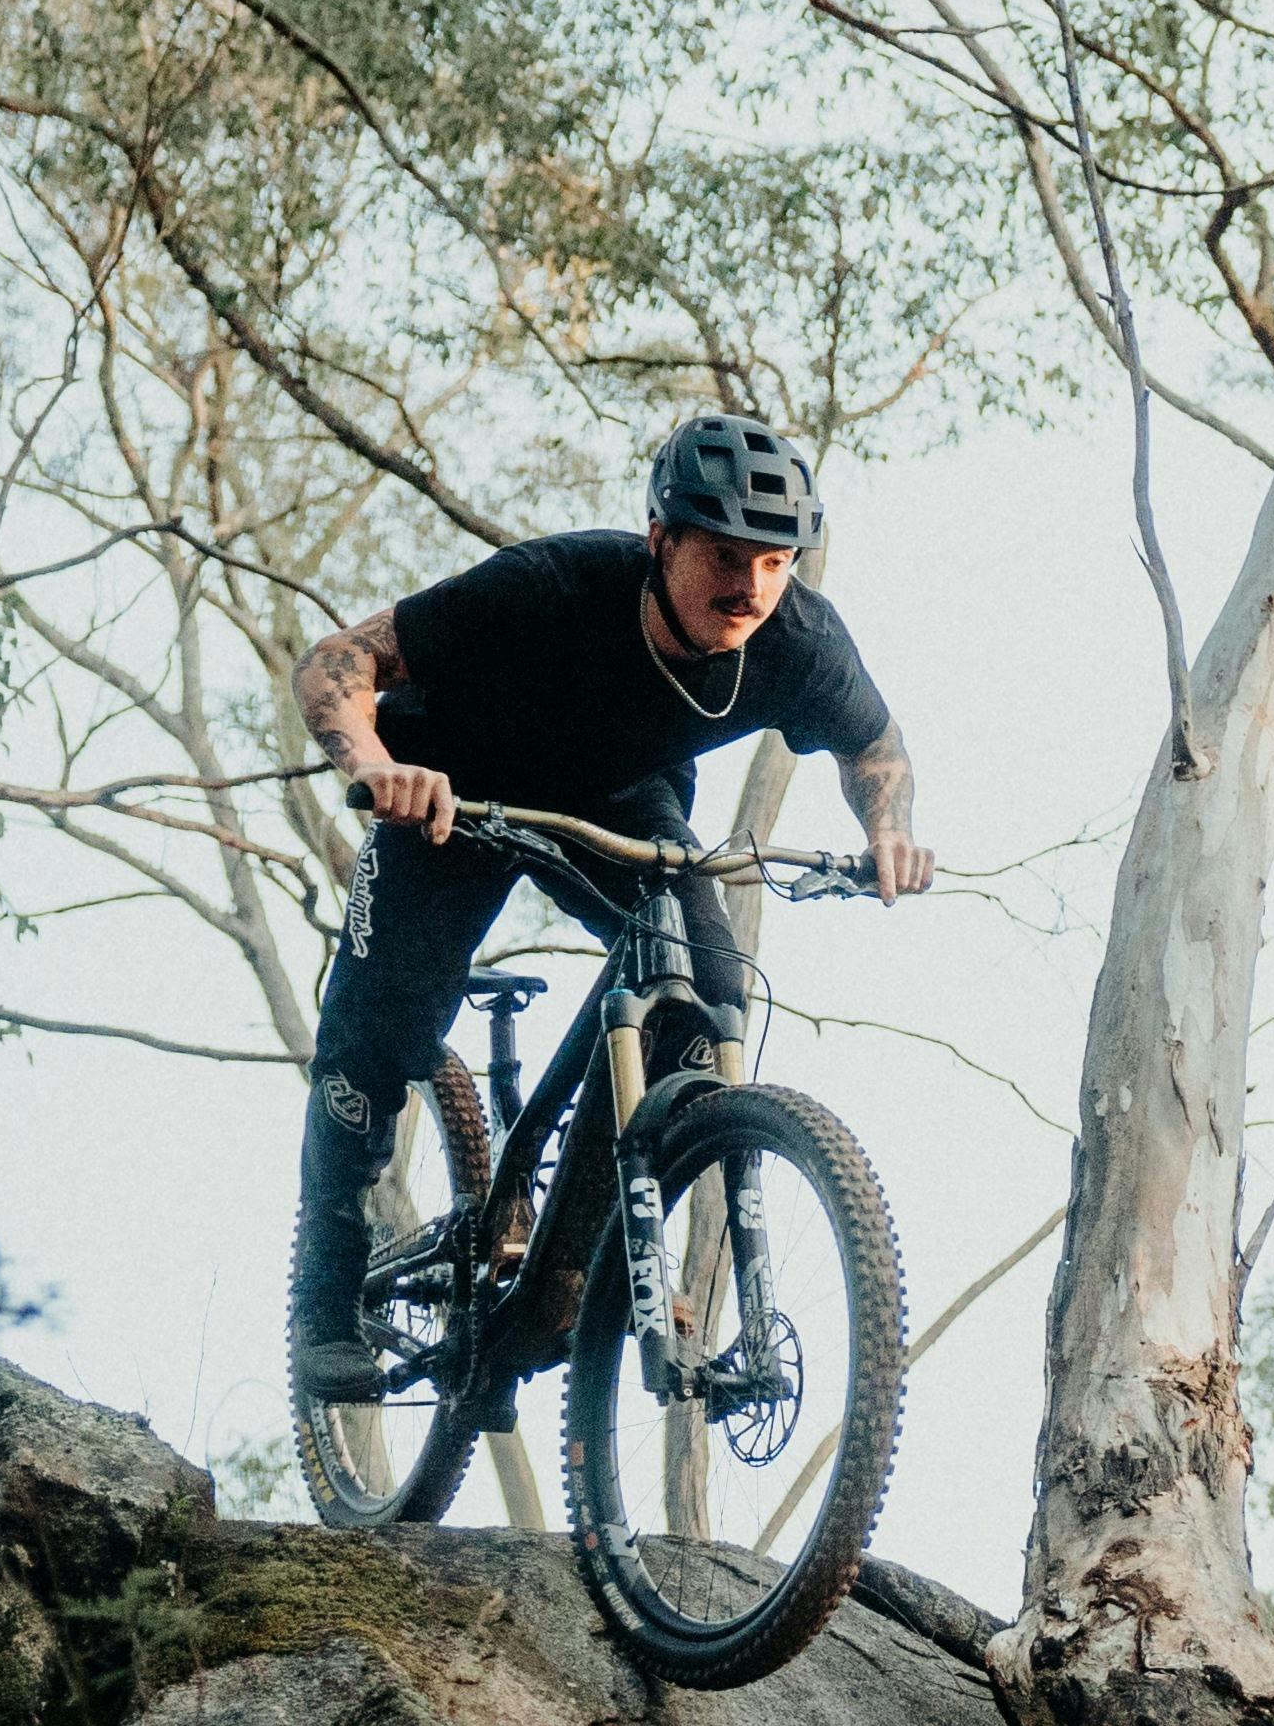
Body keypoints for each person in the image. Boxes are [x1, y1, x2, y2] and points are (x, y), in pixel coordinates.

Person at [284, 411, 931, 1398]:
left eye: (773, 562)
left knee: (703, 991)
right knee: (382, 1032)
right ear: (659, 540)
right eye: (724, 553)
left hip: (621, 797)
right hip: (457, 788)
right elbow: (340, 660)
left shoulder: (798, 638)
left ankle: (582, 1256)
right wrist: (378, 768)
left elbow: (875, 751)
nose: (749, 586)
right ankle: (325, 1298)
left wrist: (888, 828)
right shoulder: (555, 587)